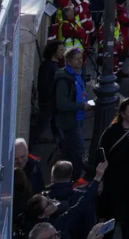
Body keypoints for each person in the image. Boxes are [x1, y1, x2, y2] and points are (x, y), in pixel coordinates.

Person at [96, 98, 129, 239]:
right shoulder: (112, 132)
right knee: (113, 215)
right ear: (122, 113)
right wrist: (101, 179)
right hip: (116, 181)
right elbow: (102, 154)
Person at [54, 47, 90, 179]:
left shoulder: (77, 74)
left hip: (77, 118)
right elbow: (61, 104)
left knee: (69, 151)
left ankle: (65, 178)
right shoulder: (64, 79)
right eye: (77, 59)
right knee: (78, 151)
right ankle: (76, 178)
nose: (80, 62)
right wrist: (81, 105)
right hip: (70, 121)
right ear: (68, 61)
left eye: (81, 59)